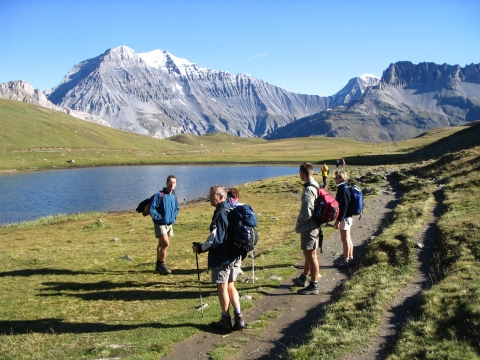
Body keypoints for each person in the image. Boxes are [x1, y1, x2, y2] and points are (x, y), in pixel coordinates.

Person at [192, 185, 245, 332]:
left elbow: (216, 238)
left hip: (223, 257)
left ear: (221, 197)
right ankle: (239, 317)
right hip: (235, 254)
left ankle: (226, 320)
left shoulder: (221, 212)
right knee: (230, 285)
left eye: (212, 195)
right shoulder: (232, 207)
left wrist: (200, 248)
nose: (209, 197)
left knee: (222, 287)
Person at [292, 163, 321, 295]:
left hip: (309, 227)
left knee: (311, 256)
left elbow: (306, 212)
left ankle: (314, 285)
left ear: (303, 173)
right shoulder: (316, 185)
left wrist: (299, 223)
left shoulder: (309, 189)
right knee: (308, 255)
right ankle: (304, 278)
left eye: (300, 172)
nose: (299, 175)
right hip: (314, 225)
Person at [150, 175, 179, 275]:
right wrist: (159, 217)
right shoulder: (159, 195)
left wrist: (174, 217)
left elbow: (176, 208)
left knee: (161, 244)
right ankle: (163, 264)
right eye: (170, 182)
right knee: (166, 243)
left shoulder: (174, 196)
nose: (172, 184)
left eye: (174, 182)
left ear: (176, 184)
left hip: (169, 223)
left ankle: (158, 265)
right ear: (166, 183)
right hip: (160, 223)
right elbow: (152, 209)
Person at [333, 171, 354, 267]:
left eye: (336, 177)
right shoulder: (345, 188)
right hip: (348, 217)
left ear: (341, 178)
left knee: (345, 239)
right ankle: (350, 257)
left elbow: (344, 207)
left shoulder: (343, 190)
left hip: (345, 218)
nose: (335, 179)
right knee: (348, 238)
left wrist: (338, 220)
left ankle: (346, 259)